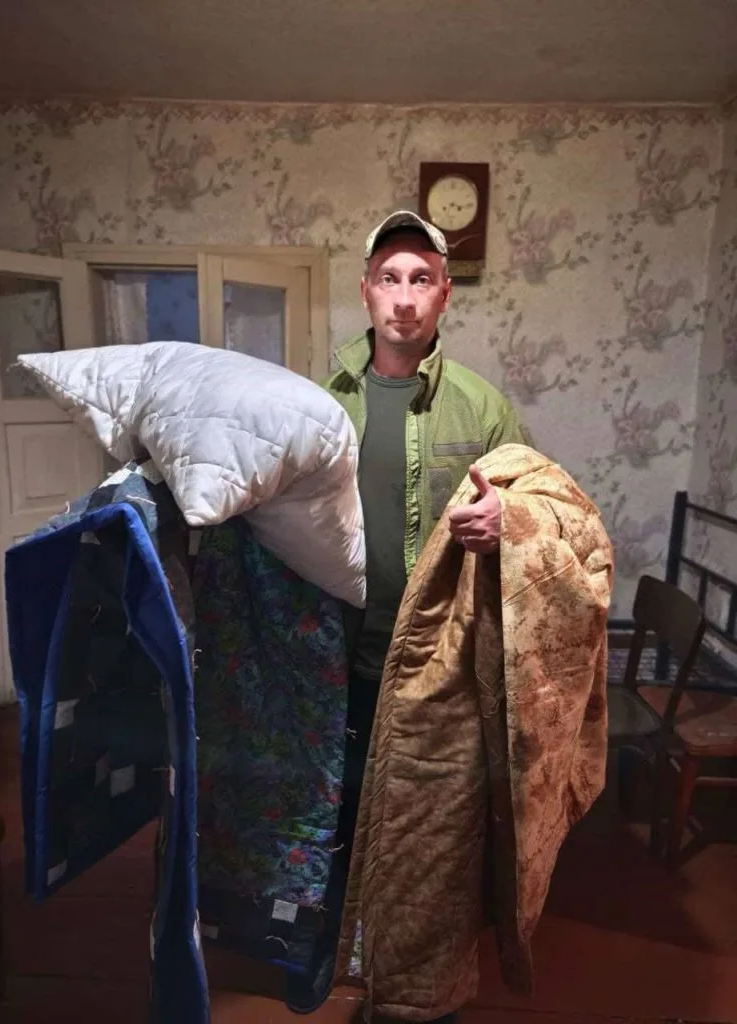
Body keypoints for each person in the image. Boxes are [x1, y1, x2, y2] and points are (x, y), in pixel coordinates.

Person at [286, 211, 532, 1022]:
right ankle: (350, 974)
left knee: (434, 844)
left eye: (419, 279)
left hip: (440, 673)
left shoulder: (482, 407)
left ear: (444, 295)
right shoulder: (320, 404)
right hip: (340, 666)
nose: (403, 298)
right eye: (388, 279)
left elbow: (541, 508)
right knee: (344, 823)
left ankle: (421, 995)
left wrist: (508, 528)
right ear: (365, 293)